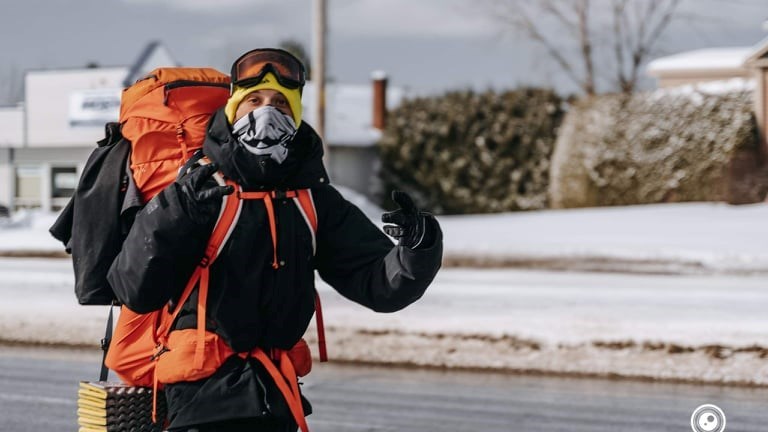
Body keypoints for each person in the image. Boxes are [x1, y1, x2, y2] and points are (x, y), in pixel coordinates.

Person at [106, 48, 443, 432]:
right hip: (201, 400)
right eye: (254, 100)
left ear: (297, 115)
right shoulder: (199, 189)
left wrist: (418, 249)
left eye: (281, 103)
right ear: (233, 109)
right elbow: (135, 287)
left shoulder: (312, 200)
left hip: (275, 396)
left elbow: (381, 285)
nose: (267, 112)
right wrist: (177, 208)